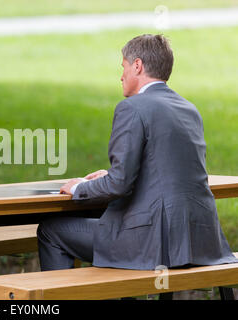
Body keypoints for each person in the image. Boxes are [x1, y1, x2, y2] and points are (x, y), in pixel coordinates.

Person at [38, 34, 237, 271]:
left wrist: (78, 188)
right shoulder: (188, 109)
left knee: (50, 230)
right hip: (200, 241)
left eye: (123, 67)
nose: (121, 76)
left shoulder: (132, 108)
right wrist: (109, 175)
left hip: (152, 243)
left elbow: (119, 185)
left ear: (137, 65)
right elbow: (164, 170)